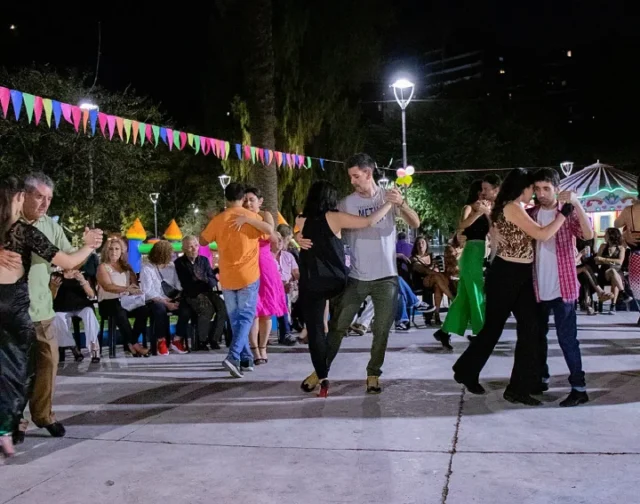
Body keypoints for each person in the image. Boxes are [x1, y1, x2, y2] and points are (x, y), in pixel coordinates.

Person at [298, 153, 420, 394]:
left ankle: (373, 374)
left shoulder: (390, 197)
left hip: (387, 276)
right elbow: (317, 221)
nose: (352, 181)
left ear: (368, 172)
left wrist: (402, 204)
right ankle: (321, 371)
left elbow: (415, 223)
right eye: (351, 177)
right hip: (356, 276)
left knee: (382, 329)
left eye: (356, 176)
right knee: (338, 326)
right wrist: (297, 236)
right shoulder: (345, 203)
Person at [0, 176, 102, 456]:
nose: (45, 203)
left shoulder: (48, 227)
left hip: (41, 309)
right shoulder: (9, 224)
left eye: (49, 199)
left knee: (47, 365)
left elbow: (69, 258)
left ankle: (42, 416)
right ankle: (14, 423)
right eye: (38, 197)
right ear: (22, 196)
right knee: (16, 370)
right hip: (14, 310)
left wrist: (85, 248)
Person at [452, 168, 570, 406]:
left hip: (521, 274)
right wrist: (564, 214)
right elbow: (542, 234)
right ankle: (467, 370)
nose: (534, 193)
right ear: (521, 188)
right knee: (494, 328)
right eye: (532, 188)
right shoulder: (511, 207)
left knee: (531, 329)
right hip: (507, 274)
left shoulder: (512, 208)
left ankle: (519, 386)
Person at [296, 180, 394, 397]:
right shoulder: (335, 217)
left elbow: (298, 238)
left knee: (316, 332)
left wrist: (297, 239)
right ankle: (358, 327)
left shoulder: (300, 220)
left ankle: (322, 377)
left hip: (311, 283)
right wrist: (388, 203)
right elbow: (369, 221)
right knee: (338, 321)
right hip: (336, 281)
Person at [529, 168, 593, 407]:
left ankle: (579, 387)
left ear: (557, 188)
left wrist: (576, 203)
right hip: (538, 285)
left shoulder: (566, 212)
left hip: (563, 285)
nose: (541, 193)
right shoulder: (532, 214)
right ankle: (541, 377)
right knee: (538, 337)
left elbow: (588, 234)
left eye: (546, 188)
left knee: (567, 339)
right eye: (537, 189)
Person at [200, 182, 270, 378]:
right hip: (248, 275)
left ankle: (245, 359)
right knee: (246, 317)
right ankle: (233, 356)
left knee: (236, 319)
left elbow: (202, 241)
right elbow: (270, 234)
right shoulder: (252, 217)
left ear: (226, 198)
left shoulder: (219, 219)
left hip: (228, 277)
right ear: (242, 198)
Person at [433, 180, 492, 349]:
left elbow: (492, 228)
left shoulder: (486, 208)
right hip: (470, 252)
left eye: (485, 191)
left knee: (464, 297)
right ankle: (481, 332)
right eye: (481, 190)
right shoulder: (469, 207)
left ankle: (444, 332)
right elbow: (462, 225)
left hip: (480, 251)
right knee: (476, 292)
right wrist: (478, 213)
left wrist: (487, 212)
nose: (484, 193)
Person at [242, 187, 289, 364]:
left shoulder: (265, 215)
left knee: (267, 310)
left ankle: (263, 347)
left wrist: (249, 220)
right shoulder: (239, 217)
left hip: (265, 264)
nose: (248, 203)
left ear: (260, 201)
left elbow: (271, 234)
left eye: (252, 199)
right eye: (245, 199)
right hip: (247, 264)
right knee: (253, 309)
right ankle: (254, 349)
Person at [97, 237, 150, 357]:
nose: (113, 252)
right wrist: (126, 289)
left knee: (144, 309)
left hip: (125, 301)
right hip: (108, 302)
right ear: (106, 251)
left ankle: (131, 341)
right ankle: (135, 345)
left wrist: (135, 290)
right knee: (118, 307)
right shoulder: (103, 267)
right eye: (111, 249)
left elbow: (134, 285)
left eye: (117, 249)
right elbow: (107, 286)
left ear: (122, 251)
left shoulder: (127, 267)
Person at [175, 235, 227, 350]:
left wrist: (210, 282)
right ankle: (202, 340)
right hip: (192, 294)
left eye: (196, 246)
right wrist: (204, 281)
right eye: (190, 247)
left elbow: (211, 277)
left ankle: (214, 339)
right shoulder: (179, 263)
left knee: (222, 308)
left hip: (207, 291)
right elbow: (187, 281)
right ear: (184, 249)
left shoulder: (203, 260)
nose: (194, 249)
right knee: (207, 309)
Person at [140, 240, 187, 355]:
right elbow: (147, 292)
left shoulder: (172, 267)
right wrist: (166, 303)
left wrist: (177, 298)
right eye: (170, 252)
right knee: (159, 309)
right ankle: (161, 340)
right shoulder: (147, 268)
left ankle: (177, 339)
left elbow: (178, 285)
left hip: (171, 298)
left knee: (186, 308)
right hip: (154, 300)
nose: (172, 254)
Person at [50, 267, 101, 363]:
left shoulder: (84, 274)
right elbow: (51, 297)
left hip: (82, 306)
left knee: (89, 313)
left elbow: (91, 295)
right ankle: (73, 347)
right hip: (62, 307)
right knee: (57, 317)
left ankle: (94, 346)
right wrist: (54, 287)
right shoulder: (56, 276)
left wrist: (83, 281)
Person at [410, 236, 454, 325]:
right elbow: (421, 269)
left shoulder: (431, 256)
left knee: (438, 285)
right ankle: (453, 298)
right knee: (438, 277)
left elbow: (436, 268)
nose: (420, 245)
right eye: (418, 243)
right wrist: (436, 272)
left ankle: (436, 314)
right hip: (422, 282)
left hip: (434, 280)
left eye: (423, 243)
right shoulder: (414, 258)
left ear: (426, 245)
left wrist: (436, 271)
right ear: (415, 246)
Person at [594, 228, 632, 313]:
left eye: (606, 234)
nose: (604, 236)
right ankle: (623, 294)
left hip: (617, 272)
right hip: (604, 273)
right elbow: (596, 260)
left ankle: (613, 305)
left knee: (615, 276)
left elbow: (620, 262)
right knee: (613, 271)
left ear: (611, 236)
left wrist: (603, 259)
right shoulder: (603, 246)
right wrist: (610, 260)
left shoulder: (621, 248)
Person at [614, 181, 640, 304]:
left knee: (637, 286)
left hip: (636, 253)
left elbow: (616, 224)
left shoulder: (629, 210)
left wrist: (625, 234)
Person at [271, 232, 299, 346]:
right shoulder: (266, 257)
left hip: (289, 288)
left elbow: (296, 272)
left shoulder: (288, 256)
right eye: (277, 239)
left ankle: (289, 331)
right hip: (271, 288)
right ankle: (285, 333)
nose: (280, 241)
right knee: (282, 297)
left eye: (281, 239)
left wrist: (294, 281)